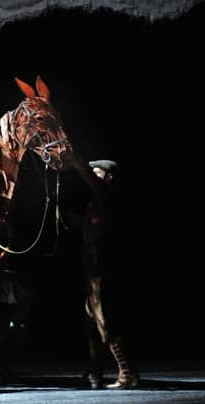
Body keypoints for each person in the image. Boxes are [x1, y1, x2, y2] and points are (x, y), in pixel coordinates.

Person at [70, 157, 139, 389]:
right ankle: (94, 372)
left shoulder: (106, 197)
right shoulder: (96, 203)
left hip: (102, 270)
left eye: (97, 173)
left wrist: (72, 158)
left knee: (105, 322)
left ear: (108, 177)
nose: (93, 177)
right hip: (93, 271)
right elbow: (88, 228)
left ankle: (127, 372)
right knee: (92, 324)